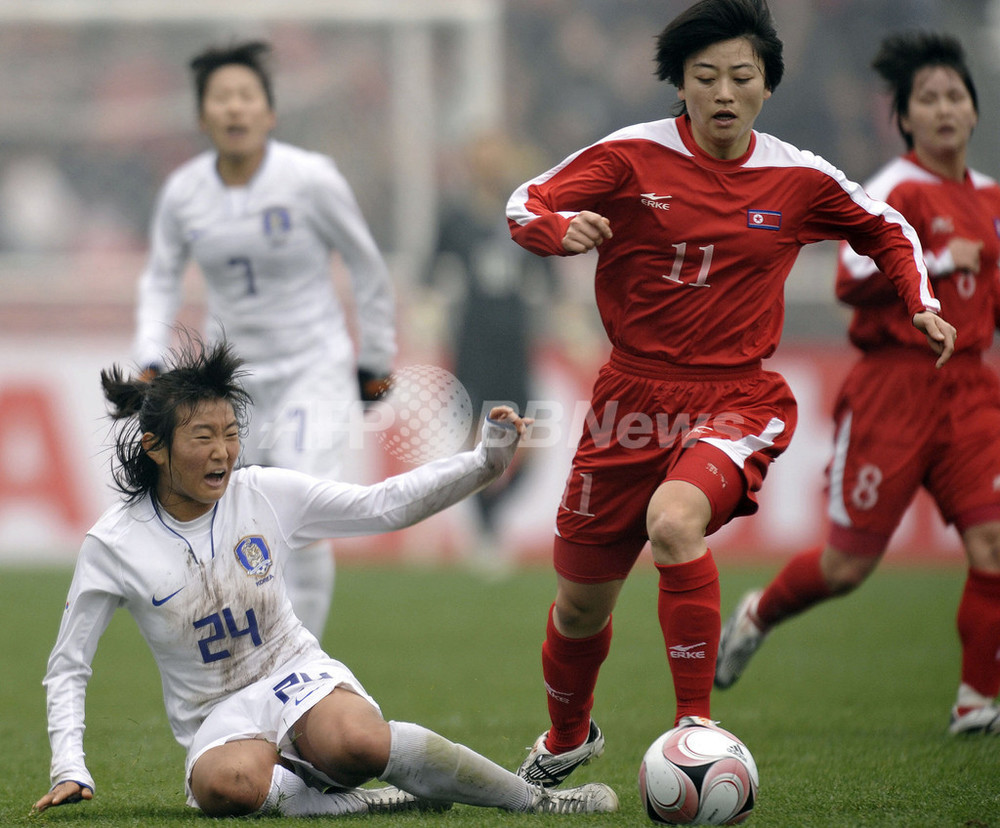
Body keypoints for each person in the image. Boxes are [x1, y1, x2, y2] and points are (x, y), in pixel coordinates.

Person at [504, 0, 957, 787]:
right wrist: (555, 231)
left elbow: (884, 226)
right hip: (627, 401)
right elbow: (526, 201)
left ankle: (697, 729)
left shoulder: (799, 176)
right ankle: (567, 736)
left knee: (674, 521)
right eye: (704, 76)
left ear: (766, 87)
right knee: (579, 605)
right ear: (680, 83)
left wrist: (921, 300)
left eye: (740, 77)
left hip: (735, 397)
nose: (722, 91)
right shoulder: (629, 156)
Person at [33, 338, 618, 818]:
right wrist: (70, 765)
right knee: (228, 788)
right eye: (203, 437)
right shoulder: (113, 543)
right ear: (156, 448)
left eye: (231, 432)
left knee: (360, 744)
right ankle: (352, 805)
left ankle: (536, 801)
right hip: (216, 713)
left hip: (294, 674)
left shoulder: (264, 492)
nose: (223, 452)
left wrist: (485, 462)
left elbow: (382, 504)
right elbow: (69, 665)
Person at [714, 31, 1000, 735]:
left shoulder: (993, 199)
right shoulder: (890, 189)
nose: (942, 110)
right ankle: (759, 613)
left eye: (954, 96)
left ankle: (975, 702)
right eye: (926, 99)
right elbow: (850, 275)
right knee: (847, 567)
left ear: (974, 110)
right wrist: (933, 256)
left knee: (994, 546)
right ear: (902, 118)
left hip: (970, 389)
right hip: (895, 389)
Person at [131, 41, 397, 639]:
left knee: (298, 513)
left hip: (314, 368)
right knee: (227, 521)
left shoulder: (309, 179)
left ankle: (301, 676)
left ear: (269, 113)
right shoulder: (184, 193)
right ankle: (249, 660)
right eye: (221, 98)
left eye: (246, 96)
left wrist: (375, 359)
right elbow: (161, 276)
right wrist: (147, 358)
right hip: (233, 382)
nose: (234, 108)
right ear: (202, 116)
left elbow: (366, 265)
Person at [428, 131, 556, 575]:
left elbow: (550, 279)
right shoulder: (456, 219)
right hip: (471, 342)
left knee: (532, 444)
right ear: (470, 163)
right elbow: (433, 273)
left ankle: (492, 523)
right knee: (473, 444)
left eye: (497, 155)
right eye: (481, 156)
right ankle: (485, 535)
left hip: (515, 344)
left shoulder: (528, 214)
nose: (489, 164)